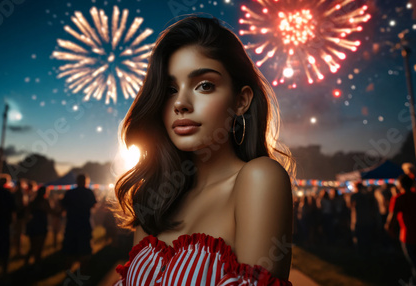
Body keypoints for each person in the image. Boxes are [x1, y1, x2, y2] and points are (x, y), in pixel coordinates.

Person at [113, 16, 294, 285]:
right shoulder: (154, 196)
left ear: (242, 100)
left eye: (204, 85)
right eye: (170, 89)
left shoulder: (259, 178)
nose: (181, 103)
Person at [385, 174, 416, 286]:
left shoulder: (398, 198)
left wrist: (389, 229)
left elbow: (391, 218)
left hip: (409, 237)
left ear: (400, 185)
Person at [61, 174, 97, 266]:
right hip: (84, 224)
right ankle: (82, 273)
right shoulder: (89, 192)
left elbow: (63, 205)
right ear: (86, 181)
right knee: (84, 250)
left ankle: (68, 273)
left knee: (70, 249)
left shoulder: (70, 192)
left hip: (71, 224)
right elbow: (93, 205)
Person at [25, 186, 51, 272]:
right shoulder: (44, 202)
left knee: (33, 246)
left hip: (33, 225)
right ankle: (37, 265)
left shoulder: (33, 202)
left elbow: (27, 213)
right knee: (39, 247)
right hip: (40, 226)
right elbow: (50, 211)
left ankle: (28, 262)